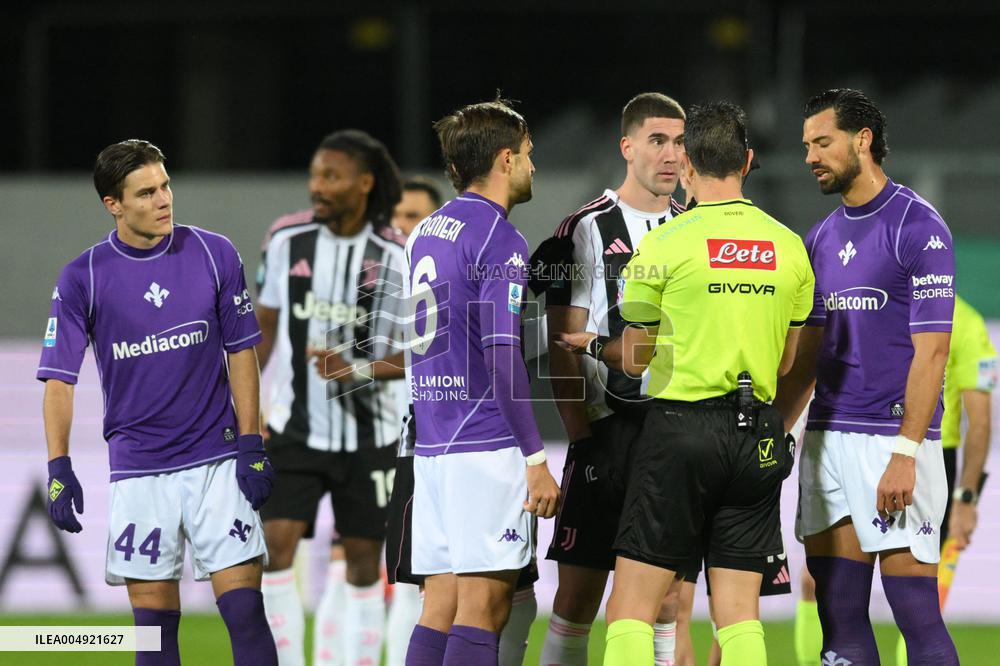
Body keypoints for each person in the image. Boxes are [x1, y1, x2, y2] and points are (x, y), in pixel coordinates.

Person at [558, 101, 814, 666]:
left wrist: (595, 345)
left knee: (631, 609)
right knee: (740, 616)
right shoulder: (790, 246)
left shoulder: (664, 244)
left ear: (690, 165)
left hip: (680, 431)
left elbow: (636, 356)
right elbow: (787, 359)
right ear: (748, 161)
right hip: (758, 436)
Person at [39, 139, 278, 666]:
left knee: (244, 613)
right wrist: (58, 465)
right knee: (152, 634)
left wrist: (251, 442)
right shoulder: (85, 277)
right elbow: (59, 379)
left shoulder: (214, 254)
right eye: (146, 192)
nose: (164, 199)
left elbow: (242, 353)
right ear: (113, 204)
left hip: (216, 463)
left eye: (166, 185)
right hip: (140, 472)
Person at [776, 88, 959, 665]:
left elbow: (932, 354)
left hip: (891, 442)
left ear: (863, 141)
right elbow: (810, 353)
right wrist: (777, 426)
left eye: (822, 142)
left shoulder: (919, 227)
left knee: (916, 615)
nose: (811, 156)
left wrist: (907, 450)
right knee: (838, 615)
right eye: (807, 146)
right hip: (827, 438)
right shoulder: (819, 238)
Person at [530, 92, 693, 666]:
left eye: (678, 142)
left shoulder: (695, 226)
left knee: (670, 602)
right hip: (609, 433)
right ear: (627, 147)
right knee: (577, 599)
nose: (671, 155)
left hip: (676, 430)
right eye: (657, 141)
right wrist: (581, 436)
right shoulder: (583, 228)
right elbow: (562, 341)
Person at [403, 99, 561, 666]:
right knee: (484, 608)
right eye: (527, 154)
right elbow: (501, 354)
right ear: (503, 159)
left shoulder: (426, 230)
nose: (532, 167)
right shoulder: (499, 239)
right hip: (484, 446)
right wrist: (535, 457)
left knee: (439, 604)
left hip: (435, 446)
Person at [255, 129, 408, 666]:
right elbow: (266, 329)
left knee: (365, 563)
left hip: (370, 436)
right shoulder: (286, 241)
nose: (317, 186)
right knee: (274, 551)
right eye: (315, 174)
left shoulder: (394, 255)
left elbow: (416, 355)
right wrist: (246, 407)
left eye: (331, 176)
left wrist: (357, 368)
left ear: (364, 183)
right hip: (294, 429)